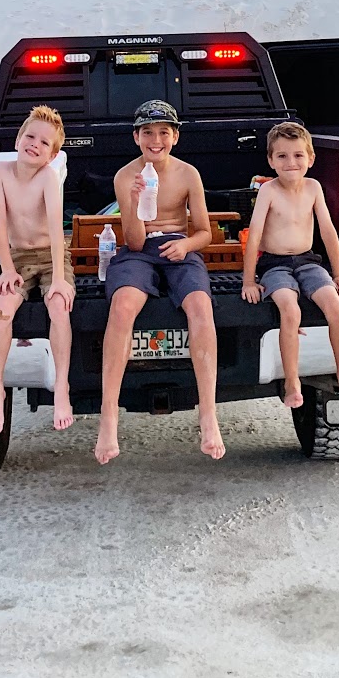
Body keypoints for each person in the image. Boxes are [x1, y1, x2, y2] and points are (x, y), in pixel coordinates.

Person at [96, 100, 225, 464]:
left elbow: (204, 233)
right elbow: (134, 242)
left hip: (180, 249)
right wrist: (136, 202)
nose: (156, 140)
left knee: (200, 305)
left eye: (164, 133)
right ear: (136, 137)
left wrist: (184, 244)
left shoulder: (188, 174)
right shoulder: (125, 176)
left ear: (175, 137)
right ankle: (109, 418)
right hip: (139, 252)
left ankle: (208, 414)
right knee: (122, 306)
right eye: (148, 133)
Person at [240, 122, 339, 409]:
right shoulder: (268, 191)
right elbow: (254, 235)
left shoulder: (314, 188)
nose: (291, 162)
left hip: (308, 261)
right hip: (275, 265)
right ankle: (292, 381)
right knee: (290, 308)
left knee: (334, 305)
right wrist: (249, 280)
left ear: (310, 158)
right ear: (271, 161)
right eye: (282, 156)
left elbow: (328, 231)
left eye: (298, 155)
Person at [0, 105, 76, 435]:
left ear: (52, 155)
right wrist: (7, 270)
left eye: (44, 143)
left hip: (52, 257)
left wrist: (61, 281)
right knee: (3, 308)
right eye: (30, 136)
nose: (34, 144)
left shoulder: (48, 177)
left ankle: (61, 387)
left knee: (58, 307)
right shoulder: (1, 172)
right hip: (19, 257)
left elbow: (55, 229)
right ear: (18, 138)